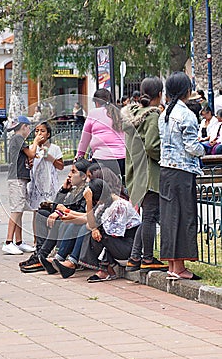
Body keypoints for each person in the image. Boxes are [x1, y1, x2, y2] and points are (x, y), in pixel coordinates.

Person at [158, 71, 204, 280]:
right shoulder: (187, 115)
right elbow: (192, 147)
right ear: (187, 91)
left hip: (166, 170)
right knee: (185, 217)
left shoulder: (164, 114)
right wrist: (204, 148)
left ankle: (171, 266)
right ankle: (181, 267)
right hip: (183, 171)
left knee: (169, 218)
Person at [121, 77, 168, 272]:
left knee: (145, 217)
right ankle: (147, 258)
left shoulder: (133, 114)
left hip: (135, 173)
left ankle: (134, 257)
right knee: (150, 217)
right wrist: (164, 155)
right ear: (159, 94)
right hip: (149, 174)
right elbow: (152, 146)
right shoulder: (152, 116)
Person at [20, 159, 91, 273]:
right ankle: (39, 252)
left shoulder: (86, 191)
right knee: (42, 214)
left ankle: (42, 256)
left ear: (83, 176)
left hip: (75, 220)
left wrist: (60, 212)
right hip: (68, 216)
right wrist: (63, 190)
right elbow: (55, 207)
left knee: (60, 220)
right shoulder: (73, 189)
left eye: (73, 172)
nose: (69, 175)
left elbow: (81, 211)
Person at [78, 178, 141, 282]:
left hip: (130, 250)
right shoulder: (104, 205)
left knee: (100, 234)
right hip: (118, 246)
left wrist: (96, 229)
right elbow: (90, 225)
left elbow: (113, 233)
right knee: (94, 232)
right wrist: (88, 203)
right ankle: (106, 270)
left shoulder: (120, 205)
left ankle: (105, 271)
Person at [2, 116, 44, 255]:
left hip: (20, 177)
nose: (30, 130)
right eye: (29, 127)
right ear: (24, 126)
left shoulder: (16, 139)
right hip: (17, 178)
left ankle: (18, 242)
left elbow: (27, 156)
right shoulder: (18, 138)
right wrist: (37, 141)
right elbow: (31, 153)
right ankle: (8, 242)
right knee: (16, 210)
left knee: (19, 209)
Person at [76, 88, 126, 178]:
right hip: (122, 159)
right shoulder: (119, 113)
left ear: (97, 102)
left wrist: (79, 156)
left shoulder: (94, 113)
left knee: (100, 188)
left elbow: (85, 139)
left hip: (102, 159)